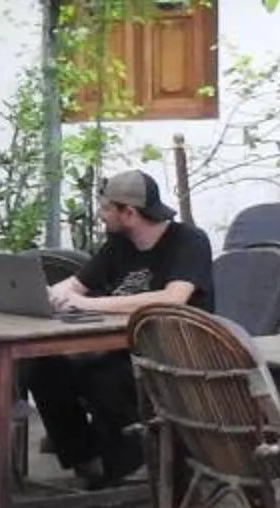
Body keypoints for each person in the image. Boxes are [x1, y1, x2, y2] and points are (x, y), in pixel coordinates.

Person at [25, 170, 213, 490]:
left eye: (106, 208)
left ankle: (130, 466)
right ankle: (86, 458)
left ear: (130, 212)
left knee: (102, 374)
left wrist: (88, 305)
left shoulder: (189, 241)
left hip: (172, 348)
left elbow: (173, 297)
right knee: (44, 367)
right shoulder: (118, 245)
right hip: (120, 343)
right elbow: (76, 285)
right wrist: (43, 296)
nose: (101, 215)